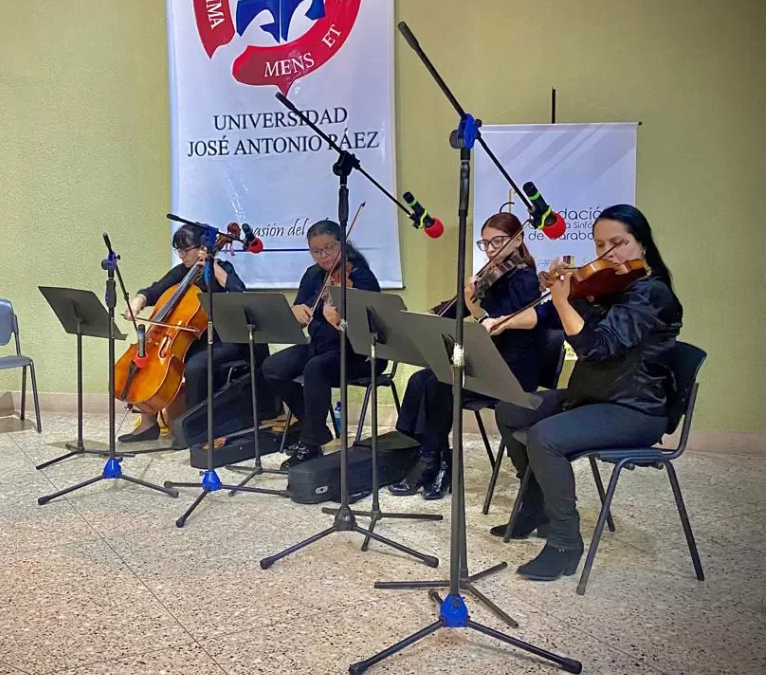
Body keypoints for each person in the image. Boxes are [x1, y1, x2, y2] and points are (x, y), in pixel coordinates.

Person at [490, 204, 682, 581]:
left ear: (641, 245)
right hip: (597, 394)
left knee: (546, 436)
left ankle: (565, 541)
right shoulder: (612, 288)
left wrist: (564, 300)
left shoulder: (653, 293)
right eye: (600, 246)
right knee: (511, 407)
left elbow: (597, 348)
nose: (609, 254)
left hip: (636, 407)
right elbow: (582, 328)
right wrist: (570, 295)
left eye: (619, 243)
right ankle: (536, 506)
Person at [390, 212, 543, 499]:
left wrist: (475, 307)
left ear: (518, 239)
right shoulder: (492, 278)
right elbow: (458, 314)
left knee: (441, 383)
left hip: (514, 368)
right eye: (485, 243)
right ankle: (431, 455)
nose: (490, 249)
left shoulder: (525, 280)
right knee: (420, 380)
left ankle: (430, 464)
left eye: (497, 241)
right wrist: (432, 315)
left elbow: (496, 325)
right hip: (487, 361)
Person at [261, 219, 384, 470]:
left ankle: (310, 444)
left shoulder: (360, 276)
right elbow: (300, 312)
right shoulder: (312, 274)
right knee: (272, 367)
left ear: (342, 244)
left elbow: (374, 325)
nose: (324, 255)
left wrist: (339, 320)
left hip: (356, 352)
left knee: (315, 369)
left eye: (329, 247)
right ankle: (314, 428)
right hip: (320, 346)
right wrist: (295, 311)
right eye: (316, 251)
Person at [120, 222, 249, 442]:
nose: (181, 256)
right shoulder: (182, 272)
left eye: (185, 250)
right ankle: (148, 423)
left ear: (202, 247)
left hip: (222, 339)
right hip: (192, 339)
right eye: (178, 250)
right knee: (147, 359)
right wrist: (137, 301)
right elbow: (155, 290)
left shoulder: (222, 269)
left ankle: (194, 428)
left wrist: (213, 265)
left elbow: (238, 291)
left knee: (196, 367)